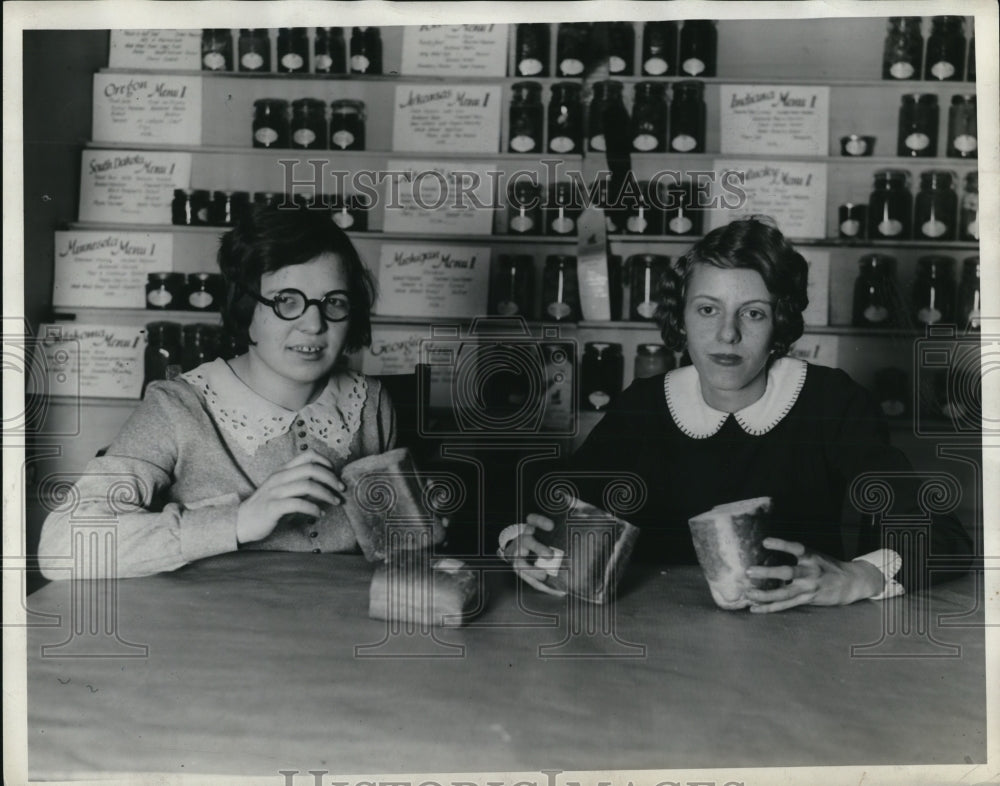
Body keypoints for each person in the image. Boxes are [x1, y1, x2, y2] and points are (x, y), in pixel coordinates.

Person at [501, 217, 975, 612]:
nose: (727, 335)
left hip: (800, 647)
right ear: (680, 319)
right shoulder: (644, 405)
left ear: (780, 324)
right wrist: (522, 539)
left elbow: (941, 534)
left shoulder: (831, 403)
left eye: (752, 314)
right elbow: (548, 501)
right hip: (659, 644)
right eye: (707, 309)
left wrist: (859, 576)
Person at [38, 203, 398, 580]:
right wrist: (239, 520)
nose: (313, 324)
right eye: (286, 301)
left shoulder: (372, 403)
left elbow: (391, 547)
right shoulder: (176, 406)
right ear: (245, 307)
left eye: (334, 302)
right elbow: (61, 547)